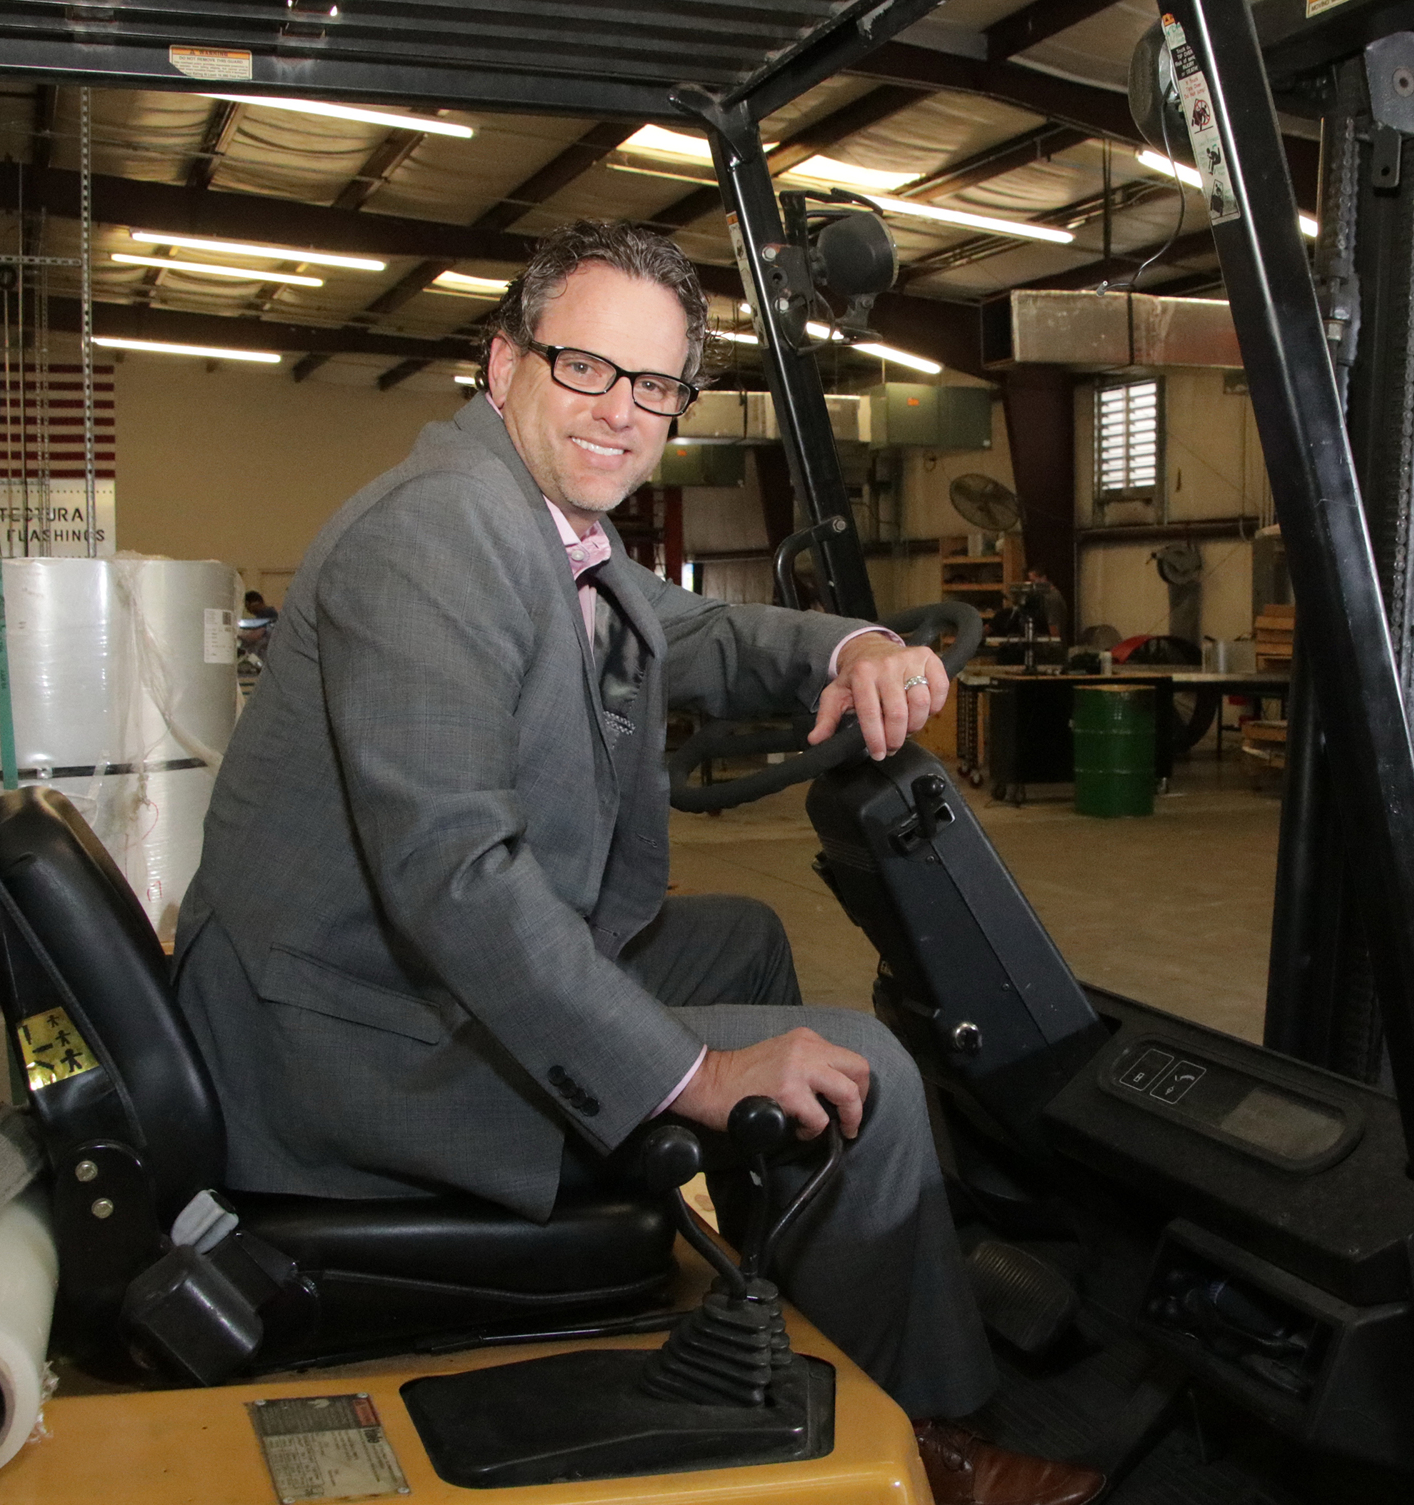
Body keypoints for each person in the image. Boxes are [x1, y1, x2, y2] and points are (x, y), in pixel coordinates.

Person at [174, 221, 1100, 1505]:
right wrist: (701, 1073)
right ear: (501, 365)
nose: (623, 412)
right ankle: (921, 1436)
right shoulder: (439, 535)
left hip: (358, 980)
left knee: (742, 935)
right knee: (868, 1072)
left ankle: (781, 1293)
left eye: (655, 384)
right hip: (349, 1042)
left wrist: (849, 650)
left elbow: (703, 632)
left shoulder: (547, 525)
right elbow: (455, 875)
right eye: (586, 369)